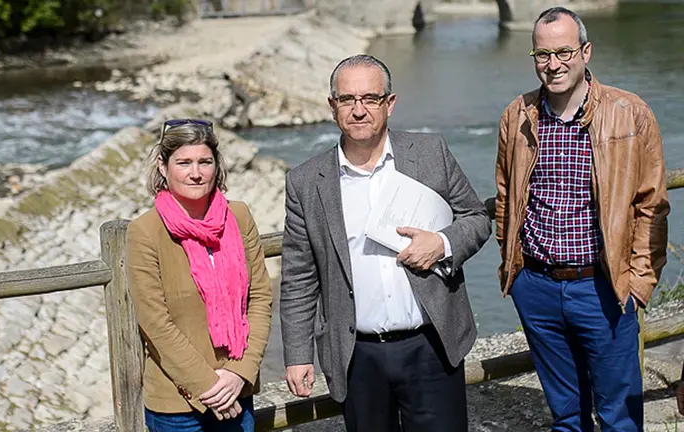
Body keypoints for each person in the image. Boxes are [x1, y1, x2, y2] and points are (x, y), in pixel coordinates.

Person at [280, 54, 491, 431]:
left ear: (389, 104)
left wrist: (442, 243)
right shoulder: (305, 181)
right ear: (333, 107)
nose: (359, 110)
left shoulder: (430, 154)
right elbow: (298, 277)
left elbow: (476, 219)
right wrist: (297, 354)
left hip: (432, 345)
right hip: (356, 356)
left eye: (370, 99)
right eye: (347, 100)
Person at [495, 7, 669, 431]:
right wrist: (515, 273)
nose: (553, 65)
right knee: (567, 417)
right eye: (542, 54)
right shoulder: (517, 115)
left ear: (586, 52)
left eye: (564, 52)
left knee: (619, 417)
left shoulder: (630, 113)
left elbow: (652, 204)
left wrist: (640, 281)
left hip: (603, 287)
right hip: (535, 286)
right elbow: (506, 197)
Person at [127, 119, 273, 432]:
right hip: (179, 408)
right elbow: (155, 322)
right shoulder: (145, 232)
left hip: (237, 391)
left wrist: (239, 373)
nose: (196, 173)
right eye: (184, 162)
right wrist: (210, 387)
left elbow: (259, 298)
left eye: (204, 162)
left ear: (216, 166)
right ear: (163, 167)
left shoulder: (239, 216)